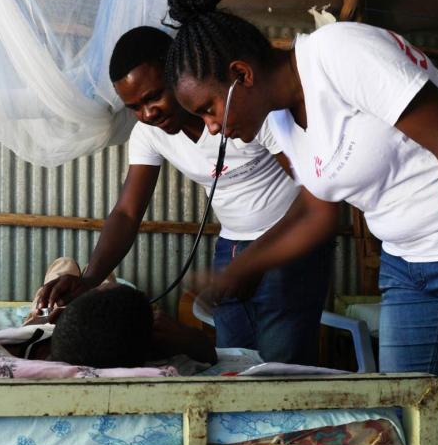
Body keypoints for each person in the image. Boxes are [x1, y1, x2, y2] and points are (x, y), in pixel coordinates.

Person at [163, 0, 438, 445]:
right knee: (402, 435)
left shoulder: (339, 53)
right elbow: (321, 215)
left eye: (208, 108)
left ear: (240, 75)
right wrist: (241, 270)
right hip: (407, 266)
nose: (211, 129)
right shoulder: (282, 121)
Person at [35, 26, 333, 365]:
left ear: (178, 76)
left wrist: (256, 260)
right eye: (135, 107)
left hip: (289, 244)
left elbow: (313, 195)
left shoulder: (245, 109)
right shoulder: (150, 134)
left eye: (153, 97)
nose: (148, 114)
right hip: (232, 247)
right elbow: (127, 214)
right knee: (231, 361)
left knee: (282, 363)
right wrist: (88, 281)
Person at [0, 258, 217, 368]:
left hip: (43, 320)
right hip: (88, 322)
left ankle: (66, 283)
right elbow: (209, 355)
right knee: (93, 278)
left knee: (63, 268)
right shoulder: (143, 349)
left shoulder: (8, 351)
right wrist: (188, 338)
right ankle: (94, 280)